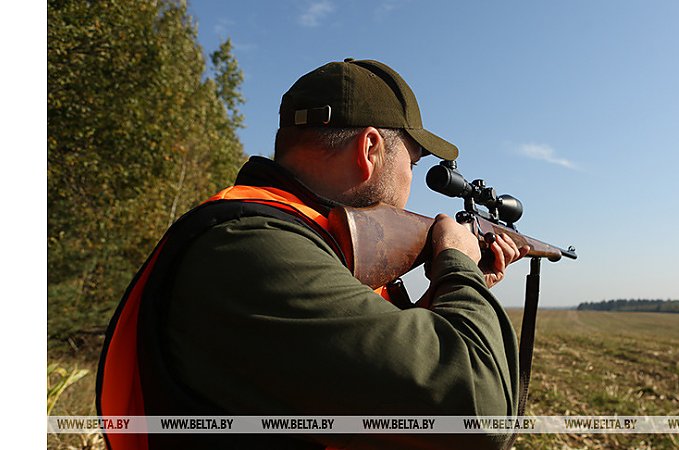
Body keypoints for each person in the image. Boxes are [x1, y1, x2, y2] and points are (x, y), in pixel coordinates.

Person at [97, 58, 527, 449]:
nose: (409, 183)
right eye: (411, 164)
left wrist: (453, 292)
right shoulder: (253, 247)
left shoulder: (285, 239)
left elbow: (369, 375)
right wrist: (459, 268)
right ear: (370, 149)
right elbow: (476, 416)